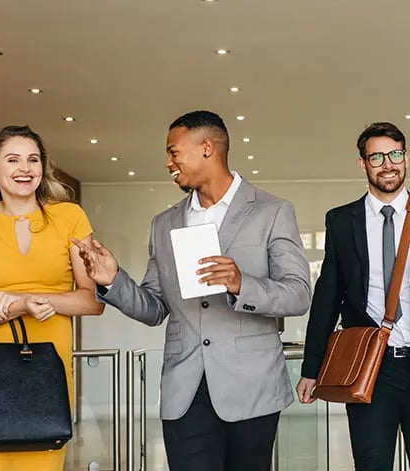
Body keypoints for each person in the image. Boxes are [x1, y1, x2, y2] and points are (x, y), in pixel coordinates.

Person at [74, 110, 311, 471]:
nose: (168, 162)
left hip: (252, 388)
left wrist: (240, 284)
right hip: (184, 390)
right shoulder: (164, 223)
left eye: (173, 151)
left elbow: (297, 294)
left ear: (206, 148)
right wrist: (112, 279)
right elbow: (153, 308)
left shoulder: (273, 212)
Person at [297, 121, 410, 470]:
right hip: (368, 365)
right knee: (371, 462)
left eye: (395, 154)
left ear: (406, 157)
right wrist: (311, 368)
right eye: (376, 156)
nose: (388, 164)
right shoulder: (341, 221)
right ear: (362, 163)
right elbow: (327, 299)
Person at [0, 125, 104, 471]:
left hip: (48, 366)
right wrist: (13, 308)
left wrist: (25, 299)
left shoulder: (70, 217)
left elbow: (91, 301)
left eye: (33, 159)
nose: (25, 168)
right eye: (13, 159)